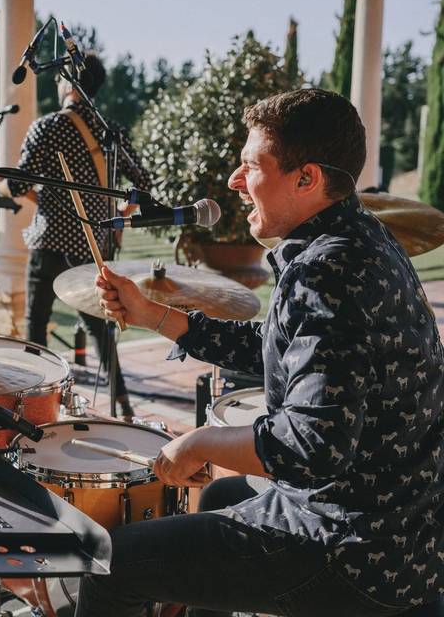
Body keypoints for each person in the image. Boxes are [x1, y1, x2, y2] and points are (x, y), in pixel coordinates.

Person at [86, 88, 444, 615]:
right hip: (404, 531)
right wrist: (152, 315)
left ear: (307, 178)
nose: (234, 181)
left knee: (111, 563)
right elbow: (285, 351)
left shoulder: (327, 271)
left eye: (251, 165)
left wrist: (201, 442)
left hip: (353, 549)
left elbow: (311, 447)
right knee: (220, 500)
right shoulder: (363, 237)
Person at [0, 53, 153, 417]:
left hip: (52, 240)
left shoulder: (49, 126)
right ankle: (123, 403)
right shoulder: (110, 129)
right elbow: (142, 183)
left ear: (68, 83)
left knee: (37, 325)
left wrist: (1, 184)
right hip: (94, 245)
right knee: (99, 327)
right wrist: (117, 217)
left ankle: (34, 405)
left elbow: (19, 184)